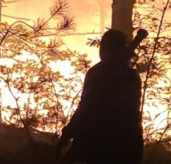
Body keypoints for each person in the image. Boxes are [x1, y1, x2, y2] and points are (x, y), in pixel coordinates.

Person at [58, 29, 143, 164]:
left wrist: (68, 133)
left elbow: (87, 108)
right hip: (129, 142)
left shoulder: (98, 73)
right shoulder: (131, 75)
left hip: (100, 142)